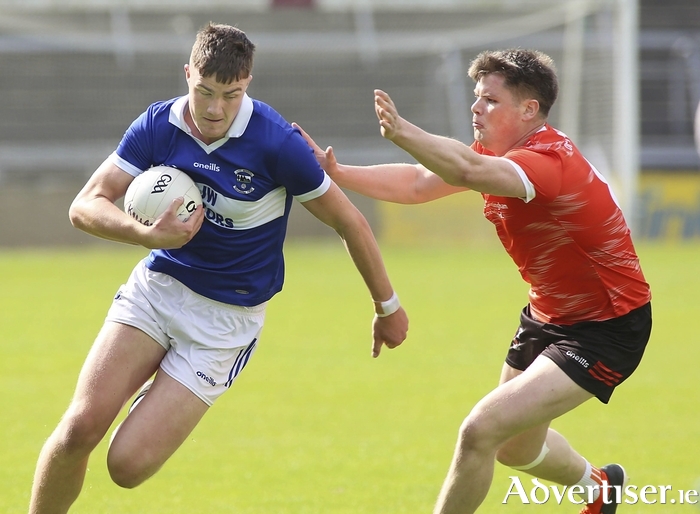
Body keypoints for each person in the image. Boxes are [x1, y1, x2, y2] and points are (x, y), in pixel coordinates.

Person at [28, 22, 408, 514]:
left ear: (247, 84)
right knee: (80, 428)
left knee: (126, 467)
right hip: (159, 288)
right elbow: (86, 205)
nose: (214, 109)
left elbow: (350, 223)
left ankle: (161, 386)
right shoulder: (158, 125)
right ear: (187, 73)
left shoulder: (276, 143)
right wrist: (145, 235)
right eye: (203, 91)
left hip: (224, 323)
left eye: (230, 95)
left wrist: (387, 306)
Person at [296, 48, 651, 514]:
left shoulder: (549, 159)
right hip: (547, 315)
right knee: (513, 448)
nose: (475, 108)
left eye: (489, 100)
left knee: (479, 431)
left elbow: (466, 170)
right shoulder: (499, 152)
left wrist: (402, 130)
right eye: (476, 97)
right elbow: (421, 184)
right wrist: (335, 171)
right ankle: (600, 488)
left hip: (607, 328)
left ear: (529, 110)